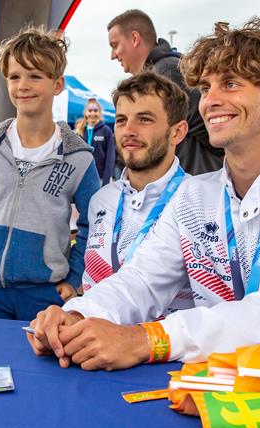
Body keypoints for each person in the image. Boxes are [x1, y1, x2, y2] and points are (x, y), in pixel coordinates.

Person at [26, 18, 260, 372]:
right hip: (217, 384)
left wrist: (146, 339)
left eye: (230, 84)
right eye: (205, 86)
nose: (210, 100)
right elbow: (142, 279)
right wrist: (77, 315)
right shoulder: (195, 196)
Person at [0, 26, 99, 321]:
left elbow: (94, 225)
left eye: (35, 76)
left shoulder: (79, 157)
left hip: (44, 294)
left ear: (57, 84)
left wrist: (73, 277)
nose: (23, 85)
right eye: (15, 76)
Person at [81, 71, 190, 312]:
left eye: (144, 119)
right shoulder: (102, 200)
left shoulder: (196, 201)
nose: (128, 130)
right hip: (96, 340)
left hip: (168, 346)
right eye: (121, 120)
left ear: (177, 132)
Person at [107, 9, 224, 176]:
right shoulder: (161, 71)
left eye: (115, 45)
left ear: (134, 38)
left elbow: (207, 127)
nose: (113, 55)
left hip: (193, 181)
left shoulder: (168, 71)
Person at [75, 98, 115, 186]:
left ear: (100, 113)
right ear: (85, 113)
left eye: (95, 111)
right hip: (82, 178)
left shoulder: (106, 131)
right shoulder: (80, 132)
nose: (92, 113)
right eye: (90, 110)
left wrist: (107, 179)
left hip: (99, 178)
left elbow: (110, 157)